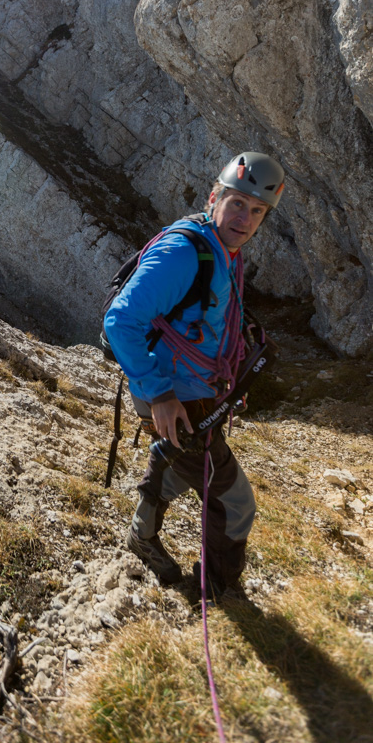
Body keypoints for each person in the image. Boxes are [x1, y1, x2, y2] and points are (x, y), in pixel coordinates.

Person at [103, 151, 285, 597]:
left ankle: (142, 534)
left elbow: (213, 320)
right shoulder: (185, 254)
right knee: (235, 504)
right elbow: (120, 321)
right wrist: (160, 395)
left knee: (185, 464)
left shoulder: (223, 250)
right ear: (214, 198)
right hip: (174, 395)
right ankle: (219, 593)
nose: (245, 218)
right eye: (237, 203)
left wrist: (229, 377)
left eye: (257, 210)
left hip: (197, 392)